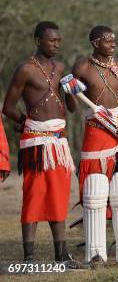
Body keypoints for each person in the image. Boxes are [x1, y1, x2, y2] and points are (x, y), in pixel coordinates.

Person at [65, 25, 118, 267]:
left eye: (114, 39)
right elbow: (72, 106)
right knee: (95, 190)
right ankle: (95, 254)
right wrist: (68, 93)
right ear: (95, 43)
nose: (113, 43)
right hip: (96, 130)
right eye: (107, 40)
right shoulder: (83, 67)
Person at [2, 21, 80, 267]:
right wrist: (27, 122)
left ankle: (62, 255)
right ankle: (28, 258)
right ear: (37, 40)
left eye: (58, 40)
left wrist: (70, 91)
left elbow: (72, 107)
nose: (56, 44)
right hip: (35, 141)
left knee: (58, 196)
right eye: (51, 40)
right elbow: (8, 108)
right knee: (34, 197)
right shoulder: (25, 69)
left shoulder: (62, 68)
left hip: (59, 142)